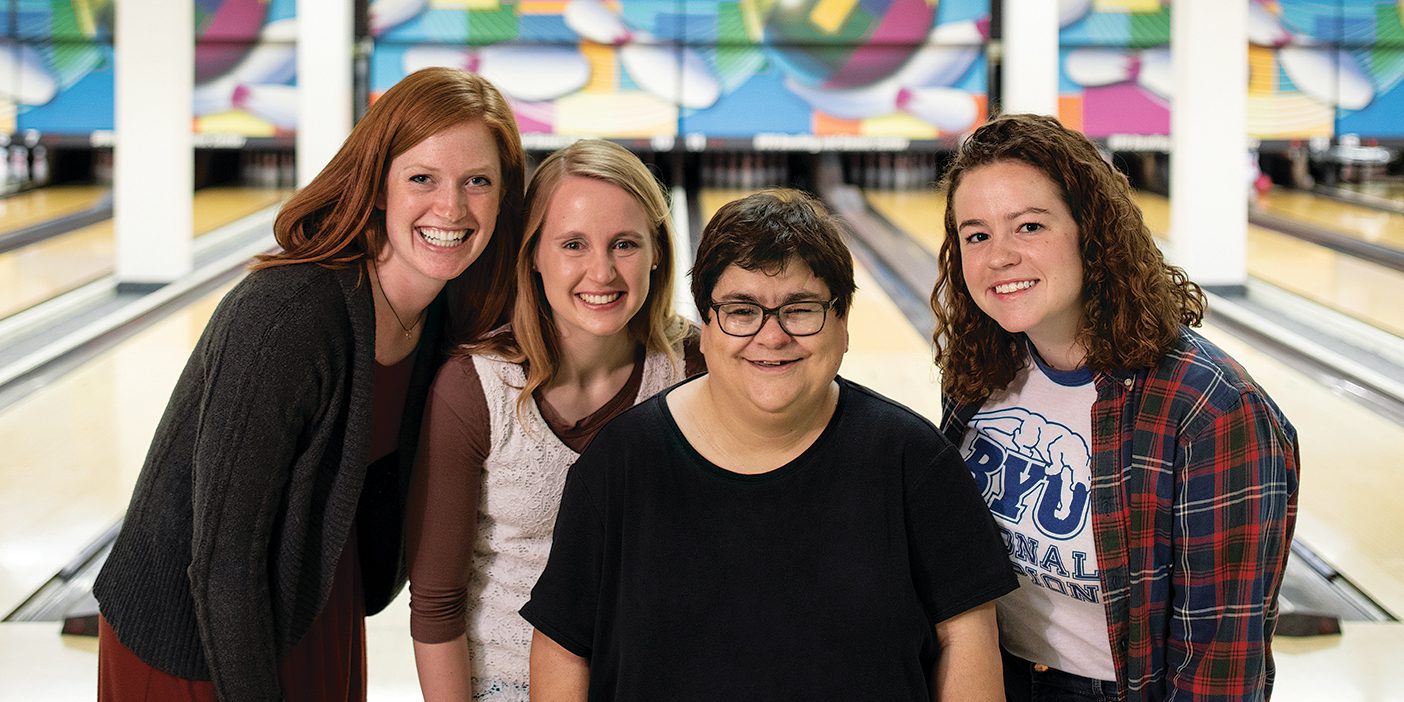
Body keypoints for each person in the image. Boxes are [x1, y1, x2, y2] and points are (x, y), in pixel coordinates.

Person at [92, 67, 526, 702]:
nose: (452, 209)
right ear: (378, 186)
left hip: (313, 600)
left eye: (477, 182)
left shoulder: (446, 318)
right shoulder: (289, 316)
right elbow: (222, 564)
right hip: (196, 637)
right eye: (422, 179)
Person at [523, 188, 1016, 701]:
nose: (772, 336)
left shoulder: (914, 461)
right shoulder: (620, 462)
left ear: (843, 324)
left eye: (801, 309)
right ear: (707, 327)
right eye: (742, 310)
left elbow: (966, 638)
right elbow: (563, 647)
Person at [930, 113, 1300, 701]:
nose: (998, 256)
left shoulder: (1210, 410)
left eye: (1028, 226)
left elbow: (1218, 669)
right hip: (990, 675)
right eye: (976, 235)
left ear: (1091, 231)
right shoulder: (980, 371)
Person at [405, 138, 702, 700]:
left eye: (625, 244)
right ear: (533, 253)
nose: (602, 271)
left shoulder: (697, 370)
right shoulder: (474, 390)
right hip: (506, 681)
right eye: (572, 244)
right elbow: (438, 601)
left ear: (658, 251)